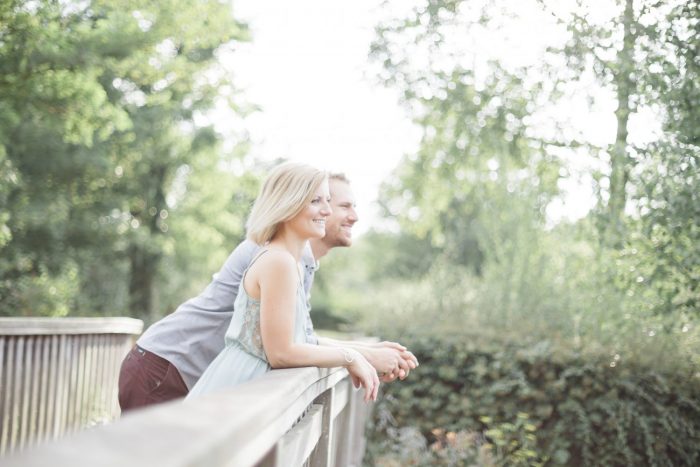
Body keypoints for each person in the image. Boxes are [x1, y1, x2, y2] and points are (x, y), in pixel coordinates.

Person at [118, 168, 417, 410]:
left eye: (330, 202)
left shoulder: (296, 260)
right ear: (292, 203)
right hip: (168, 366)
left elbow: (297, 335)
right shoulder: (273, 256)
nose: (347, 215)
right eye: (339, 205)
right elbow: (283, 349)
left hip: (200, 375)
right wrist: (356, 356)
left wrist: (366, 352)